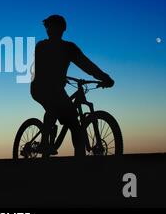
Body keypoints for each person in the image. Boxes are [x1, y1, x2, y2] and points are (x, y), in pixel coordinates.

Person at [31, 14, 114, 158]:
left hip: (57, 90)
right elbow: (40, 68)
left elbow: (87, 65)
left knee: (75, 125)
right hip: (40, 87)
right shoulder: (42, 46)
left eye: (52, 27)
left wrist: (104, 77)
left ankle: (79, 161)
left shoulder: (69, 48)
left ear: (62, 29)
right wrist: (58, 78)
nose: (49, 30)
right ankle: (45, 142)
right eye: (48, 27)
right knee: (53, 108)